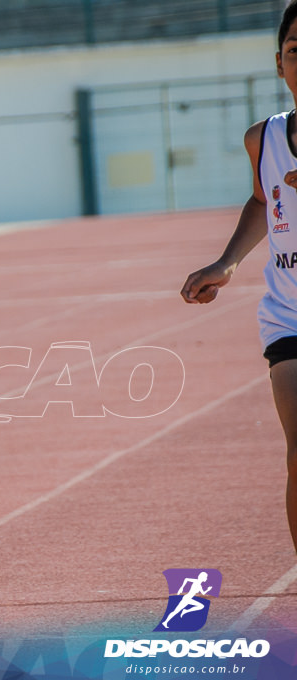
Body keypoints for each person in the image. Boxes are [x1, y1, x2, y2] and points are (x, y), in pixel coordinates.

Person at [181, 0, 297, 555]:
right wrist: (226, 262)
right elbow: (261, 199)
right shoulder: (264, 139)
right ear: (280, 64)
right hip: (290, 316)